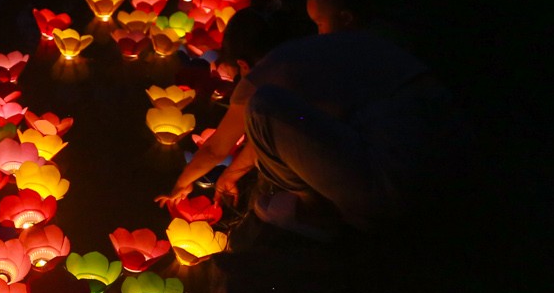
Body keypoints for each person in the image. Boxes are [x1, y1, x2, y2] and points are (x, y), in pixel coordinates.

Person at [159, 17, 466, 234]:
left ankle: (316, 213)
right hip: (448, 175)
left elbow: (216, 147)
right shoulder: (315, 56)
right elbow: (278, 132)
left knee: (262, 105)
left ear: (242, 63)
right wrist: (232, 174)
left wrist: (180, 185)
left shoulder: (266, 71)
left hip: (387, 191)